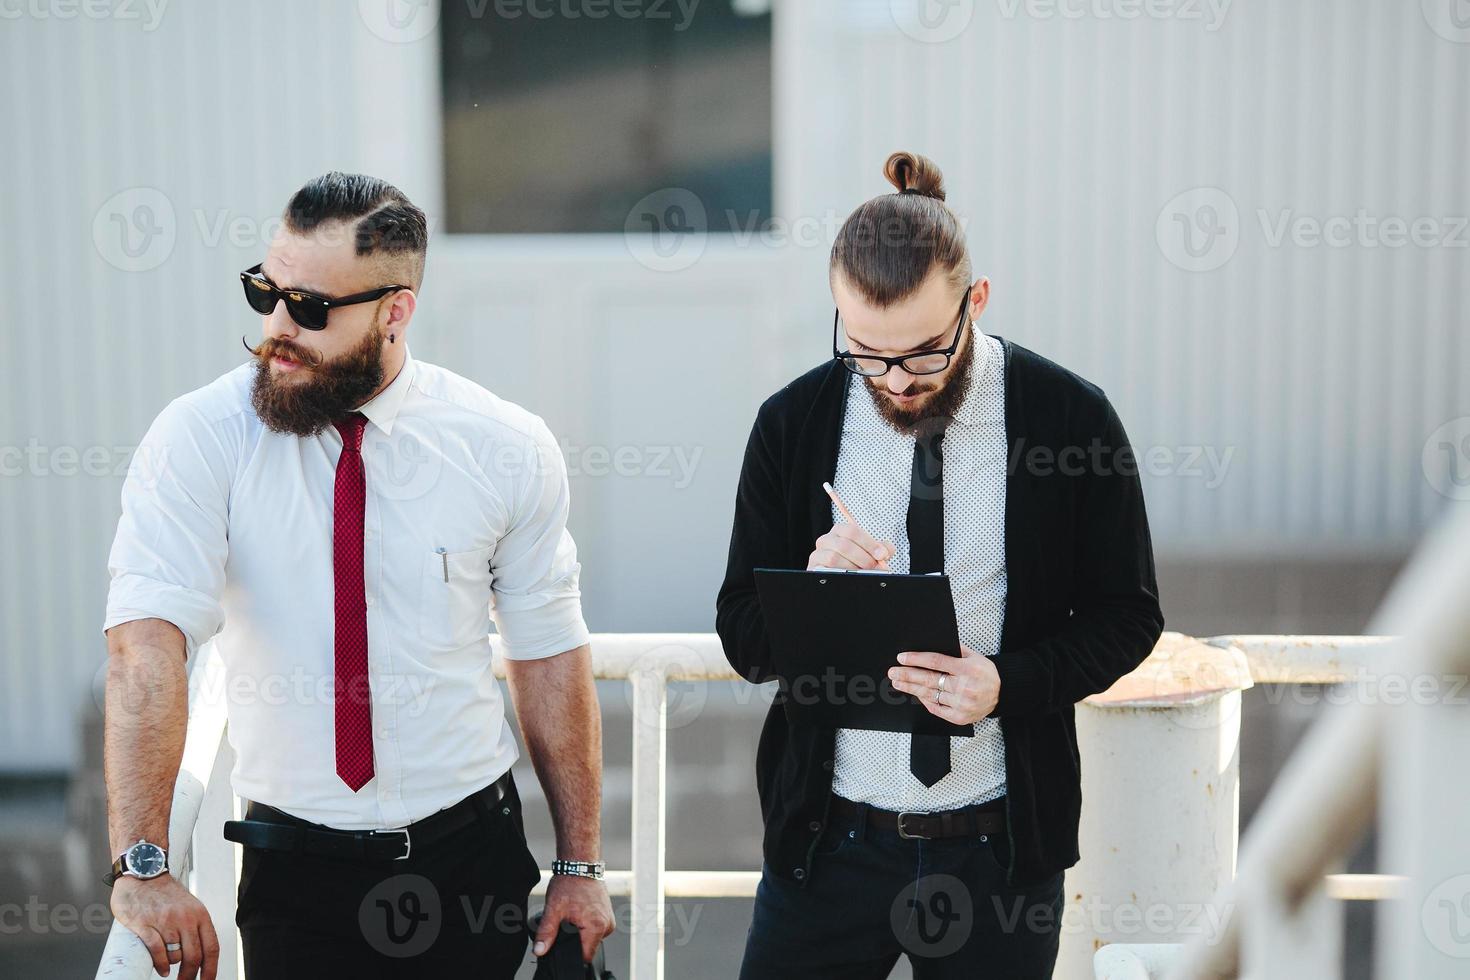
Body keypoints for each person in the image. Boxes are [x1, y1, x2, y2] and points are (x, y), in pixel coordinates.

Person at [101, 173, 613, 979]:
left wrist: (579, 867)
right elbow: (146, 649)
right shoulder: (199, 439)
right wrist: (144, 864)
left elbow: (547, 652)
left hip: (470, 859)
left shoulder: (504, 446)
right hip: (295, 872)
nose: (276, 329)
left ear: (395, 311)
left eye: (309, 310)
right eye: (266, 293)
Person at [716, 151, 1165, 978]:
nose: (895, 383)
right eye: (865, 354)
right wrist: (815, 592)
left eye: (923, 353)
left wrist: (1008, 683)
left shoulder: (1070, 418)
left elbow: (1131, 616)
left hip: (1000, 853)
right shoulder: (792, 422)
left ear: (977, 301)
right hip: (828, 845)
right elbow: (743, 636)